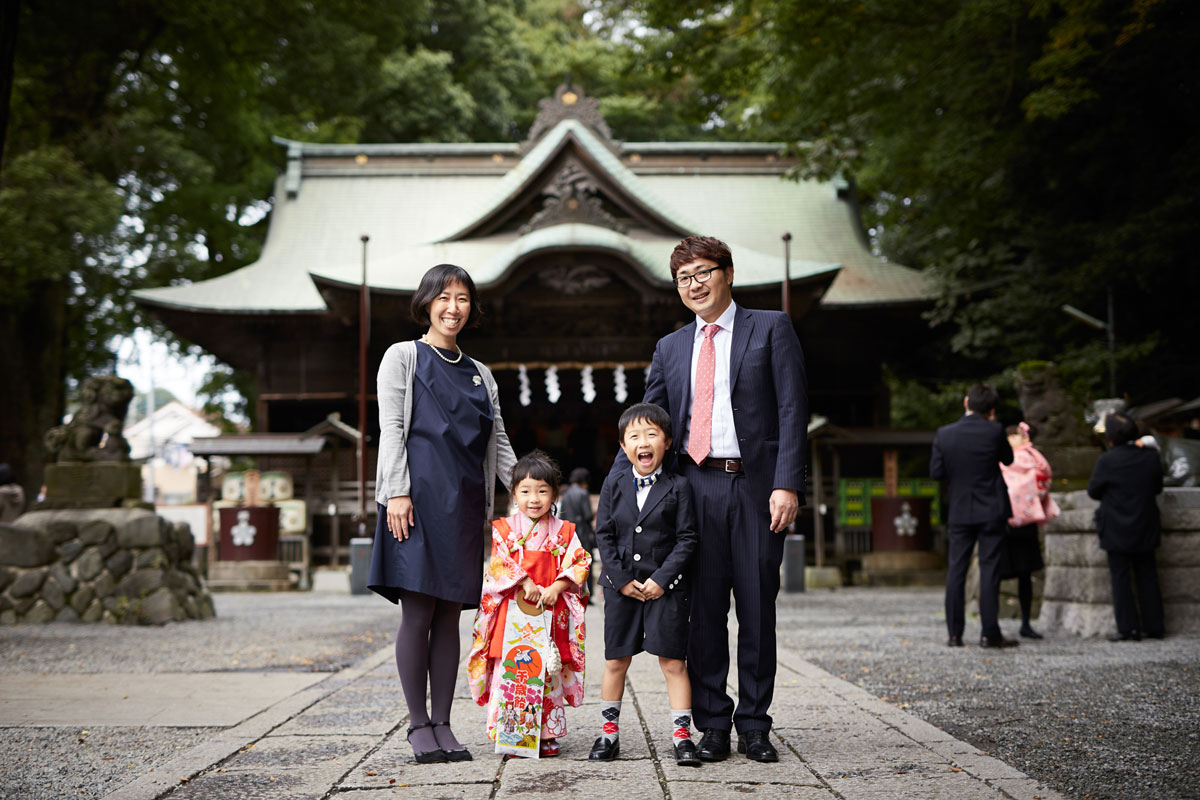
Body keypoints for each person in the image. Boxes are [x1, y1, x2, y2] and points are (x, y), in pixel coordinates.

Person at [610, 235, 808, 764]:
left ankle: (755, 724)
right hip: (692, 489)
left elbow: (792, 410)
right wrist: (614, 493)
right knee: (700, 611)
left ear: (727, 273)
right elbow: (643, 427)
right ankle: (714, 723)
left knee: (757, 605)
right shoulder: (671, 347)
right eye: (683, 278)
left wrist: (786, 483)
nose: (694, 285)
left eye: (702, 273)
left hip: (755, 487)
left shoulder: (770, 327)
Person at [368, 263, 518, 764]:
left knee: (450, 616)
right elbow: (391, 428)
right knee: (418, 612)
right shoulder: (404, 357)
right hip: (413, 501)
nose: (454, 307)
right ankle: (417, 725)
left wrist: (522, 493)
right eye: (445, 297)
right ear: (427, 302)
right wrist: (396, 492)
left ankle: (444, 724)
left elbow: (497, 439)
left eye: (463, 299)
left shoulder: (481, 373)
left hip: (463, 506)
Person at [592, 403, 701, 767]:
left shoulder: (679, 486)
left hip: (665, 588)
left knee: (672, 662)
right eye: (634, 436)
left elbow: (687, 539)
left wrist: (661, 580)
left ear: (667, 443)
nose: (644, 442)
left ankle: (682, 736)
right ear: (624, 447)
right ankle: (609, 735)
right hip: (620, 587)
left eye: (652, 434)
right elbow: (603, 534)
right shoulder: (614, 482)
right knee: (615, 660)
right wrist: (620, 581)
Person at [467, 451, 591, 757]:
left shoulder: (564, 532)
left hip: (550, 613)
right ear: (513, 494)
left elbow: (579, 561)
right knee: (514, 671)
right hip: (515, 616)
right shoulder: (505, 531)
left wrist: (558, 586)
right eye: (525, 491)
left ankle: (546, 734)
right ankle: (513, 733)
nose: (533, 498)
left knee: (547, 671)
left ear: (554, 494)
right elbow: (498, 566)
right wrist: (524, 582)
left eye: (542, 491)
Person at [931, 383, 1017, 649]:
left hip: (959, 508)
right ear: (991, 409)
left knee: (956, 569)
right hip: (991, 508)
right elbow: (1009, 459)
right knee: (989, 569)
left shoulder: (945, 434)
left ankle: (955, 634)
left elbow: (936, 472)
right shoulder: (994, 430)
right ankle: (989, 633)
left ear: (966, 402)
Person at [1088, 413, 1165, 642]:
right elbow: (1158, 487)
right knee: (1148, 574)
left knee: (1120, 577)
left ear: (1110, 437)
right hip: (1145, 523)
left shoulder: (1108, 460)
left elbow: (1093, 491)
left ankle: (1128, 628)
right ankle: (1155, 626)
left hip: (1116, 526)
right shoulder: (1150, 458)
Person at [998, 422, 1059, 639]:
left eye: (1011, 437)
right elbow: (1043, 481)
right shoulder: (1036, 459)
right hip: (1026, 520)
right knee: (1024, 573)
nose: (1008, 441)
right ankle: (1024, 623)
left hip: (1005, 520)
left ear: (1020, 437)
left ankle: (998, 623)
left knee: (1002, 573)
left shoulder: (1010, 459)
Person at [557, 467, 596, 595]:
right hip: (583, 531)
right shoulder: (583, 493)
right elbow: (588, 515)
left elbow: (561, 516)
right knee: (586, 561)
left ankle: (572, 591)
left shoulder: (566, 493)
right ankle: (586, 593)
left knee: (571, 563)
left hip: (569, 532)